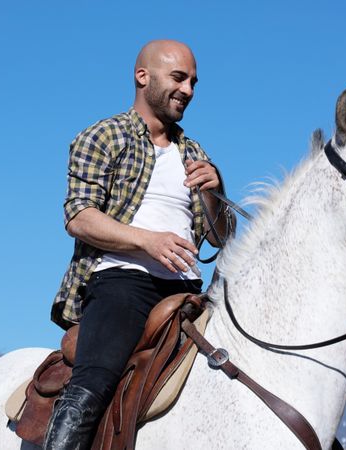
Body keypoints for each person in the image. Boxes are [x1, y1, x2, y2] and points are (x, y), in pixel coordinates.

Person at [45, 39, 234, 450]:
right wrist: (148, 241)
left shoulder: (195, 152)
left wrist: (214, 192)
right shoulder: (104, 136)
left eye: (194, 83)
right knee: (93, 384)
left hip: (189, 292)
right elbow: (79, 216)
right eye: (179, 78)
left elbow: (221, 237)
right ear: (142, 76)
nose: (188, 90)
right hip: (121, 283)